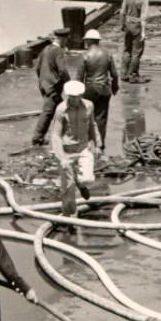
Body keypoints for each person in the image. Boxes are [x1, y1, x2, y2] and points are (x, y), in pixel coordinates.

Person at [51, 80, 100, 218]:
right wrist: (62, 158)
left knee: (88, 179)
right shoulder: (61, 109)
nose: (75, 99)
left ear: (81, 95)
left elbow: (92, 125)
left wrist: (97, 145)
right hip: (67, 150)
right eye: (72, 97)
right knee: (67, 188)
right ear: (67, 96)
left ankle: (81, 183)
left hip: (84, 147)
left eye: (77, 96)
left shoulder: (89, 106)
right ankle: (70, 216)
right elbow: (56, 134)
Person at [79, 29, 119, 150]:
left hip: (89, 89)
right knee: (101, 117)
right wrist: (114, 87)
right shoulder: (107, 53)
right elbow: (114, 74)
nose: (85, 42)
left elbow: (79, 77)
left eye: (86, 40)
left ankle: (86, 143)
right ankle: (100, 144)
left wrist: (78, 93)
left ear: (89, 41)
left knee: (87, 116)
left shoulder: (85, 55)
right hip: (104, 89)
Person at [32, 28, 70, 146]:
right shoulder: (58, 51)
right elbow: (62, 70)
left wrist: (43, 81)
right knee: (49, 112)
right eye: (66, 39)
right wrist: (68, 83)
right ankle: (37, 138)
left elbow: (37, 67)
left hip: (44, 85)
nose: (67, 41)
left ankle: (64, 135)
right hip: (53, 87)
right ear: (62, 39)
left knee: (60, 109)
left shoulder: (45, 49)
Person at [120, 0, 150, 83]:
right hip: (137, 25)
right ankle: (133, 75)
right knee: (136, 52)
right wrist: (143, 32)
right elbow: (143, 17)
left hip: (128, 24)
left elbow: (122, 12)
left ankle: (124, 74)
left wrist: (122, 24)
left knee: (127, 50)